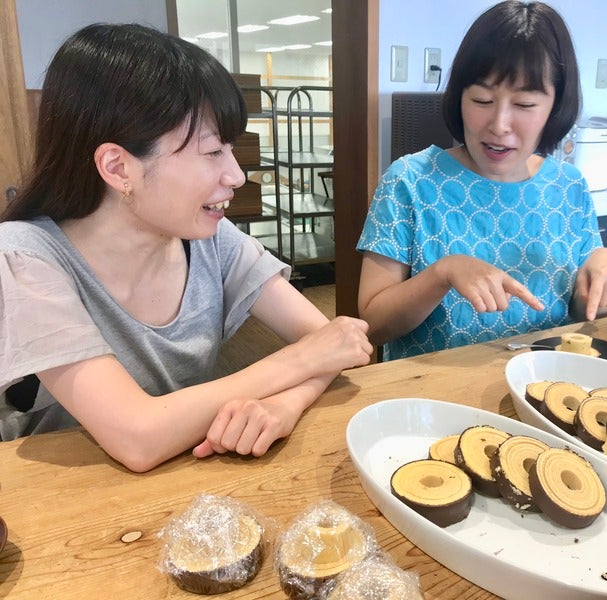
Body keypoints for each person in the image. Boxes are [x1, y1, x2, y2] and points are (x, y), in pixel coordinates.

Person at [0, 23, 372, 472]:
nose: (236, 175)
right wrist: (301, 360)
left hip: (187, 481)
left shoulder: (210, 239)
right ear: (118, 167)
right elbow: (136, 436)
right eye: (213, 152)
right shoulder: (25, 257)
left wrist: (286, 404)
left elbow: (338, 344)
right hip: (65, 500)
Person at [357, 1, 607, 360]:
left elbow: (582, 313)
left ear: (555, 106)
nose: (499, 125)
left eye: (525, 104)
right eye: (482, 99)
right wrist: (442, 273)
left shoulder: (569, 186)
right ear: (459, 97)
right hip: (434, 389)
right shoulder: (410, 181)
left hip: (543, 385)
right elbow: (374, 325)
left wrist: (605, 273)